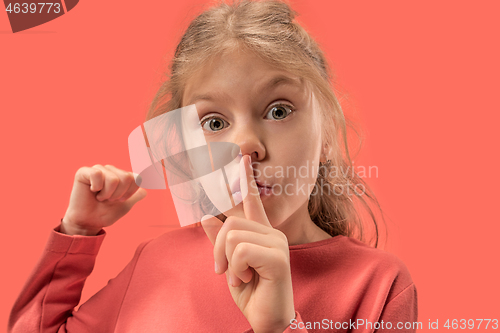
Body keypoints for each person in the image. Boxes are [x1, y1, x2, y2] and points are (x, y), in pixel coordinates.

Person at [8, 0, 418, 332]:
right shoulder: (155, 260)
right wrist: (76, 235)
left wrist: (280, 327)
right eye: (215, 123)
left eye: (278, 110)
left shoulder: (379, 285)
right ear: (184, 151)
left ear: (327, 133)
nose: (246, 147)